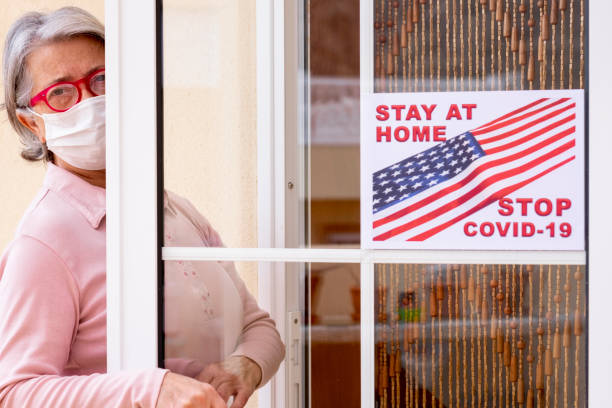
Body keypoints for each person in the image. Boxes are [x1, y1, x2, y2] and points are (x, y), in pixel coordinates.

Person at [0, 7, 284, 408]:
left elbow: (258, 326)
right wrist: (152, 389)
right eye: (61, 91)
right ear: (34, 124)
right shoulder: (44, 240)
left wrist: (245, 365)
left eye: (102, 79)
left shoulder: (177, 211)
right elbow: (15, 392)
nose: (92, 101)